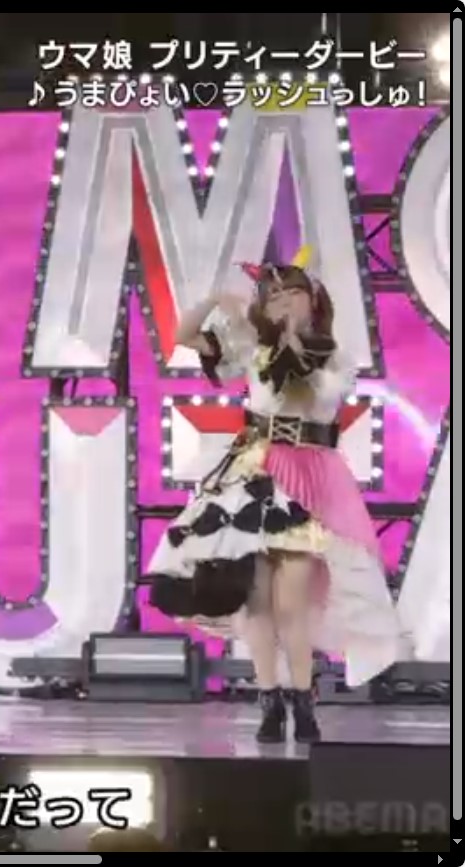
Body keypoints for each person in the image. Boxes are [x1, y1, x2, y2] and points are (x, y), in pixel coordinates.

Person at [145, 247, 403, 744]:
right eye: (274, 295)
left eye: (293, 293)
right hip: (256, 479)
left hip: (308, 480)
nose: (284, 301)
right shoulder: (252, 349)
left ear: (313, 300)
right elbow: (184, 336)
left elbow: (319, 396)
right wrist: (217, 301)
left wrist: (292, 340)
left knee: (292, 604)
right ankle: (268, 701)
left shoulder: (332, 354)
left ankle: (303, 701)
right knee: (257, 602)